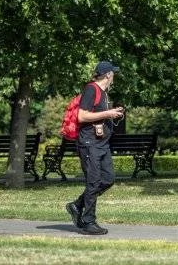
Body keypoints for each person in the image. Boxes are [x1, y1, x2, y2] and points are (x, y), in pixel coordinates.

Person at [65, 60, 124, 235]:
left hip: (102, 144)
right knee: (93, 182)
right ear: (108, 75)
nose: (114, 76)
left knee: (108, 179)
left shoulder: (104, 93)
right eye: (113, 73)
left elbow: (97, 115)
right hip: (89, 143)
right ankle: (88, 221)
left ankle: (77, 205)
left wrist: (113, 114)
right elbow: (82, 116)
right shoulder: (91, 89)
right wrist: (108, 113)